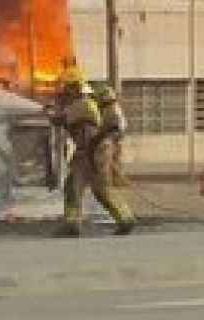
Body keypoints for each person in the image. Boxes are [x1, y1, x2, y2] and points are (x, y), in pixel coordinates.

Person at [47, 66, 137, 237]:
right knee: (98, 187)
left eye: (67, 86)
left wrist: (52, 115)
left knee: (75, 184)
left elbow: (64, 118)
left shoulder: (83, 101)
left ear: (75, 85)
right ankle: (125, 218)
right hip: (98, 147)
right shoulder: (85, 99)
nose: (64, 89)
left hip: (93, 148)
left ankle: (72, 224)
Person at [89, 81, 130, 189]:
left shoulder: (112, 109)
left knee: (106, 160)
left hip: (114, 135)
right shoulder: (109, 108)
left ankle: (107, 184)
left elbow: (114, 126)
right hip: (114, 135)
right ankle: (116, 182)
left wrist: (105, 137)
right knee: (114, 160)